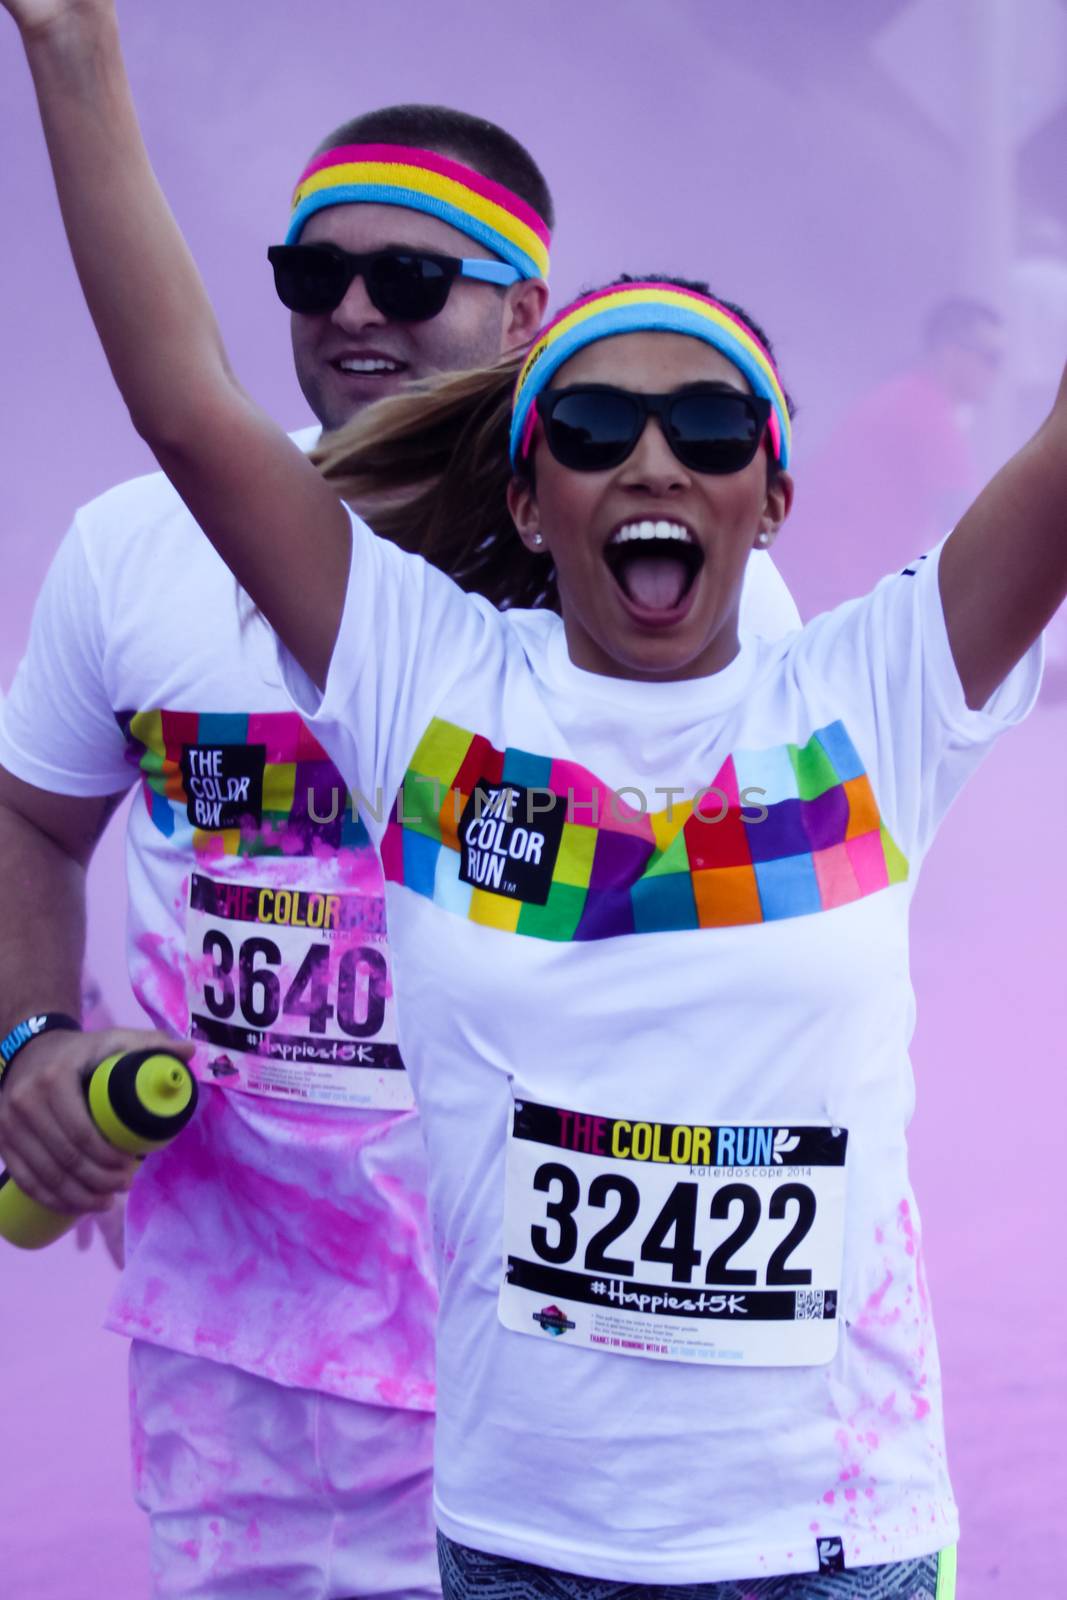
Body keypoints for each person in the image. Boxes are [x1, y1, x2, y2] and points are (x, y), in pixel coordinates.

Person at [7, 2, 1062, 1596]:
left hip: (821, 1523)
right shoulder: (425, 686)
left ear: (772, 496)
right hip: (469, 1510)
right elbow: (188, 412)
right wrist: (73, 48)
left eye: (707, 429)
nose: (651, 459)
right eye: (593, 428)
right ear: (528, 483)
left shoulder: (853, 703)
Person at [781, 297, 1005, 620]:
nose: (996, 372)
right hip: (839, 595)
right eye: (990, 358)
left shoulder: (903, 397)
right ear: (951, 351)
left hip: (824, 586)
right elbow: (968, 528)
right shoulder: (926, 413)